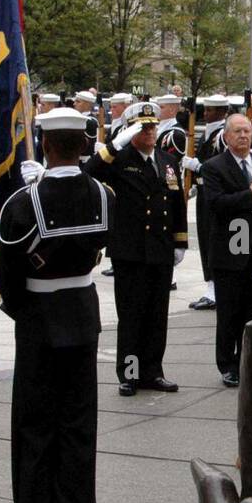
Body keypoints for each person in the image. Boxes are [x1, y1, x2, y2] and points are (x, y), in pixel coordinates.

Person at [0, 107, 113, 503]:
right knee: (77, 427)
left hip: (39, 322)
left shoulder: (23, 202)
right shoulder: (103, 196)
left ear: (44, 145)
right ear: (84, 145)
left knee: (35, 426)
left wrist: (25, 309)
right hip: (82, 318)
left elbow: (5, 272)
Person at [84, 102, 186, 396]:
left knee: (157, 316)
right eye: (143, 127)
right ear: (131, 131)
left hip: (160, 249)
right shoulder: (120, 159)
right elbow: (88, 174)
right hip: (131, 251)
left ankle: (153, 372)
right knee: (131, 317)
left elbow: (176, 202)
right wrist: (114, 145)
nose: (151, 131)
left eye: (153, 126)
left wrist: (180, 242)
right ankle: (129, 374)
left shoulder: (167, 160)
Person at [197, 113, 252, 387]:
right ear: (227, 136)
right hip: (228, 252)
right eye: (237, 132)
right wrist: (249, 195)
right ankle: (227, 365)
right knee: (229, 315)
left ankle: (249, 362)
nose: (243, 136)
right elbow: (215, 204)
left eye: (247, 131)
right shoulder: (213, 167)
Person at [181, 94, 231, 311]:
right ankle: (210, 287)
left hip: (216, 191)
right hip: (203, 190)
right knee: (204, 237)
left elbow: (223, 166)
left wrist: (198, 167)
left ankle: (216, 290)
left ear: (221, 112)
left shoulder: (223, 135)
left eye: (210, 110)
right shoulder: (209, 132)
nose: (206, 114)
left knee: (213, 238)